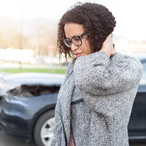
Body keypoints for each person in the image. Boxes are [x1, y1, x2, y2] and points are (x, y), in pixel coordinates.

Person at [51, 2, 143, 146]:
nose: (73, 47)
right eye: (69, 41)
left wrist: (104, 52)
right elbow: (60, 121)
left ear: (98, 34)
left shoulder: (128, 66)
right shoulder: (75, 66)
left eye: (77, 38)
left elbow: (90, 80)